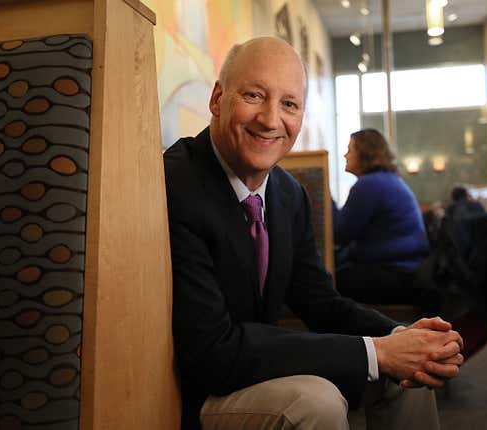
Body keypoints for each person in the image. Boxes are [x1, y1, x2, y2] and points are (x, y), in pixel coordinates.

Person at [164, 37, 463, 430]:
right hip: (190, 388)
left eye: (289, 104)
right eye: (254, 95)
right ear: (218, 99)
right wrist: (377, 352)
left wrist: (400, 337)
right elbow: (212, 351)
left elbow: (319, 302)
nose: (271, 120)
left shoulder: (289, 194)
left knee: (410, 374)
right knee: (317, 402)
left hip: (257, 365)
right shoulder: (175, 183)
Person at [332, 129, 429, 304]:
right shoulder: (387, 179)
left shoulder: (369, 184)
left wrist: (324, 195)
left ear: (364, 153)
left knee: (325, 283)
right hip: (409, 271)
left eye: (350, 150)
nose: (345, 155)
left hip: (396, 275)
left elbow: (340, 232)